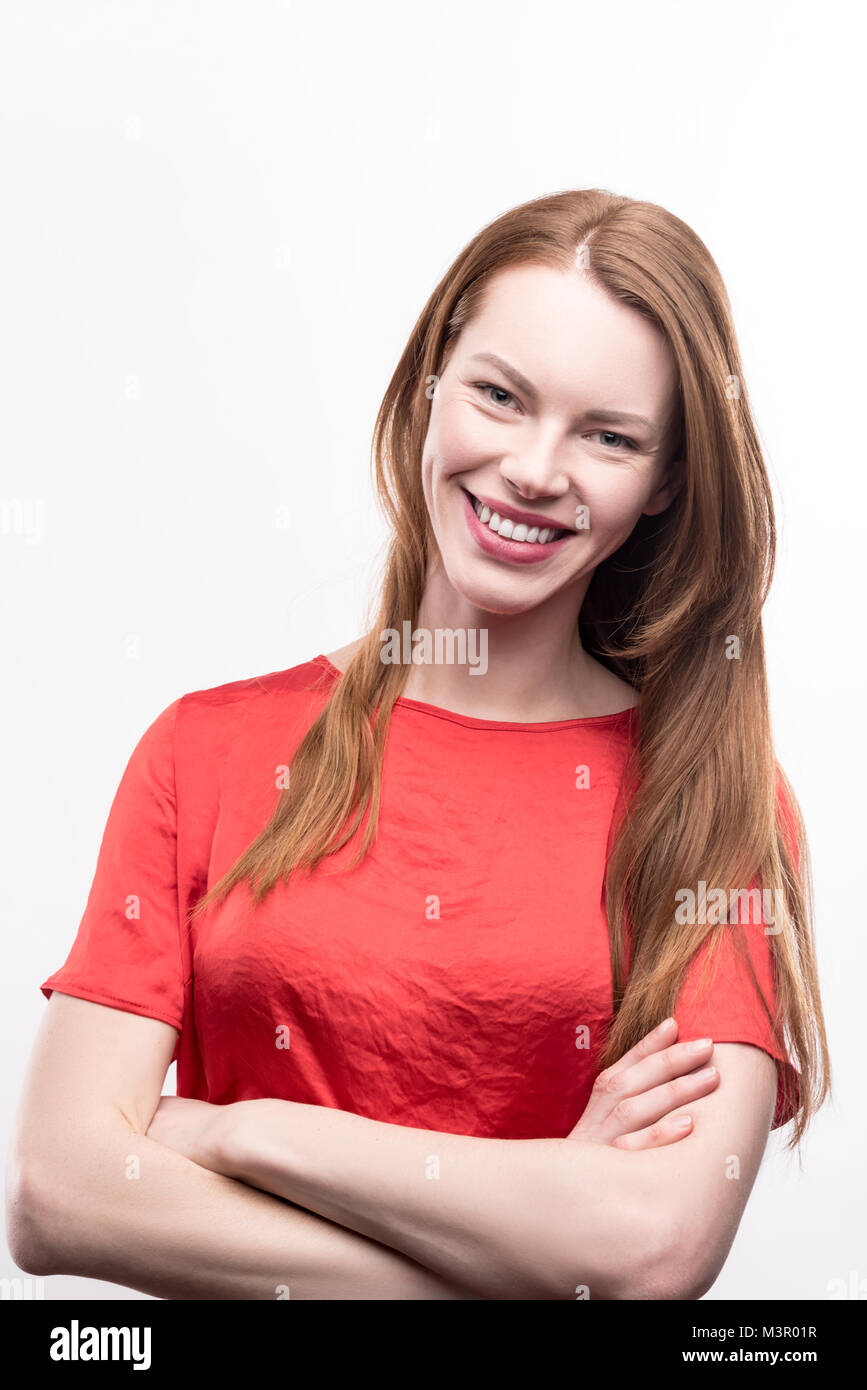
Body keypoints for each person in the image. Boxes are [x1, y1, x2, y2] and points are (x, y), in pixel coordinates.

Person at [7, 189, 830, 1300]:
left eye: (608, 436)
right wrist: (537, 1218)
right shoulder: (205, 752)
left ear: (664, 482)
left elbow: (652, 1249)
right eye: (501, 395)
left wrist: (246, 1132)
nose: (535, 468)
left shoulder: (712, 802)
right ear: (432, 384)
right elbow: (60, 1190)